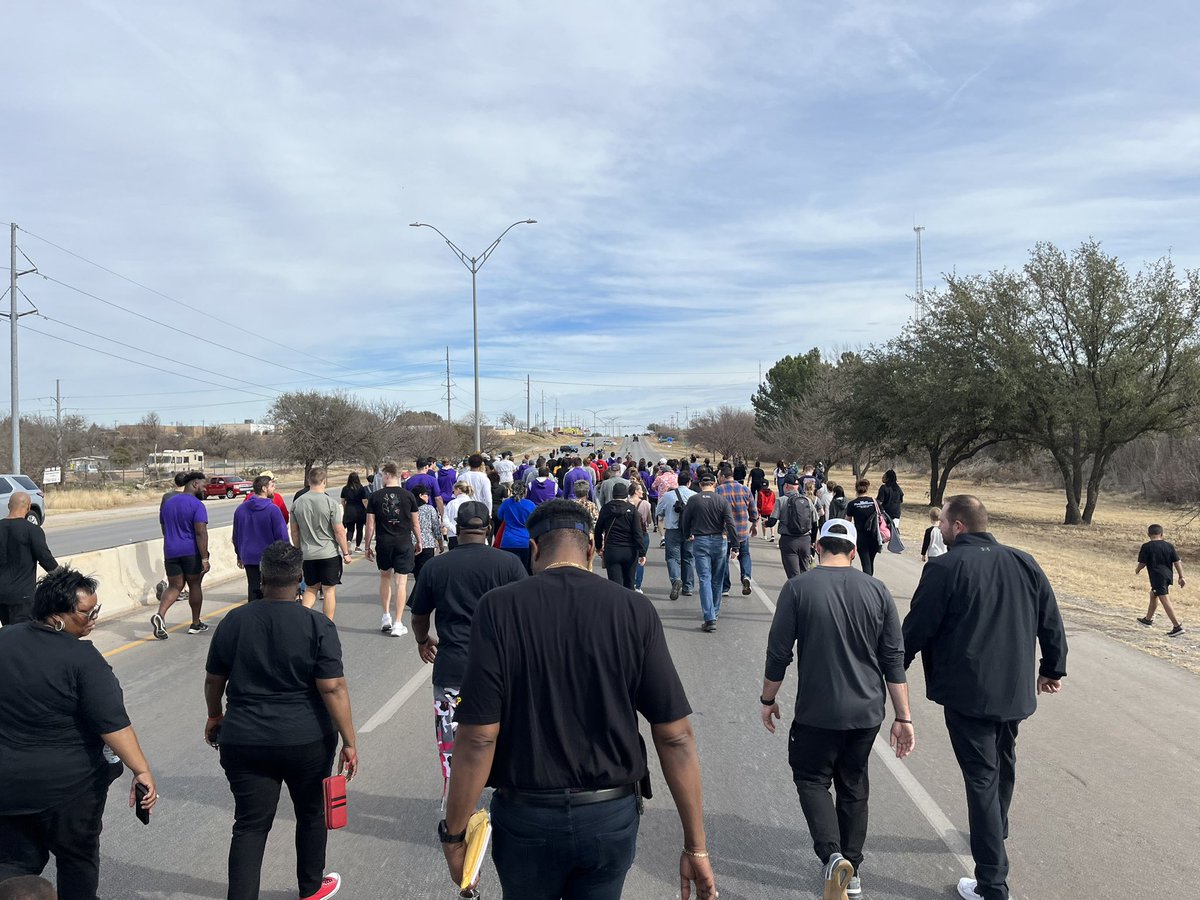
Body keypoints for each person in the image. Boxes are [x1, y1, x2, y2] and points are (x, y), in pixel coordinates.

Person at [439, 500, 717, 900]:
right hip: (608, 816)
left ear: (534, 551)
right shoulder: (633, 610)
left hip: (525, 817)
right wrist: (696, 846)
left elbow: (479, 738)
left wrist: (455, 833)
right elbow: (675, 737)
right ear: (591, 547)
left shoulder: (497, 608)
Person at [902, 496, 1068, 900]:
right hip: (1012, 691)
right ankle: (998, 825)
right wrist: (1052, 667)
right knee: (1003, 762)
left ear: (958, 525)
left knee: (981, 779)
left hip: (968, 693)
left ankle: (992, 884)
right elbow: (1051, 618)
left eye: (942, 520)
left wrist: (889, 671)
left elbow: (916, 628)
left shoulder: (944, 567)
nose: (938, 526)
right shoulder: (1024, 561)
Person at [761, 519, 914, 900]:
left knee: (812, 779)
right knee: (854, 784)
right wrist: (903, 717)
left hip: (817, 711)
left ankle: (832, 857)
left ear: (817, 547)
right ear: (852, 551)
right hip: (866, 713)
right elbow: (894, 659)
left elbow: (779, 652)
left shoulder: (797, 588)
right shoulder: (877, 590)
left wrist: (768, 699)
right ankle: (853, 869)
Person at [205, 542, 356, 900]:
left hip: (244, 738)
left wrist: (215, 715)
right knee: (310, 813)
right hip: (306, 739)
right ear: (300, 577)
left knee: (250, 825)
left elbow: (215, 680)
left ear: (263, 577)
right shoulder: (317, 624)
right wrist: (349, 741)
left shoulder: (235, 620)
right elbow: (332, 687)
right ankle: (310, 888)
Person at [0, 568, 158, 899]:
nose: (94, 619)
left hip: (8, 789)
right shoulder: (83, 659)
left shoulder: (5, 640)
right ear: (57, 616)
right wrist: (141, 770)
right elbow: (112, 724)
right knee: (77, 863)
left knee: (13, 867)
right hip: (70, 793)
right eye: (87, 613)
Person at [409, 501, 527, 807]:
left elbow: (419, 614)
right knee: (506, 737)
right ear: (488, 529)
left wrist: (423, 640)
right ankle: (508, 801)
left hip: (453, 669)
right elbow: (526, 615)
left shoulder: (436, 566)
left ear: (457, 530)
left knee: (453, 743)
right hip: (502, 671)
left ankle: (459, 810)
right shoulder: (509, 564)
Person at [365, 462, 421, 637]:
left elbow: (370, 524)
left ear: (388, 475)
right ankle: (398, 623)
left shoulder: (375, 496)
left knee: (385, 577)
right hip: (403, 542)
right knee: (401, 582)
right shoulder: (409, 496)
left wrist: (367, 546)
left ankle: (385, 616)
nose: (381, 478)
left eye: (382, 475)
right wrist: (419, 541)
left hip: (384, 542)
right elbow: (415, 523)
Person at [152, 471, 210, 640]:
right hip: (191, 552)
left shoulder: (168, 503)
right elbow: (201, 533)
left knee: (174, 586)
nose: (204, 488)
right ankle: (195, 623)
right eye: (203, 485)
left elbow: (164, 527)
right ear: (194, 484)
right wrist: (204, 558)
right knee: (194, 585)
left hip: (170, 551)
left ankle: (160, 616)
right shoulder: (197, 505)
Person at [290, 468, 353, 621]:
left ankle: (302, 619)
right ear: (325, 481)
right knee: (329, 591)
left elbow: (294, 532)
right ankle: (328, 624)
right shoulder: (330, 503)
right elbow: (339, 531)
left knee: (311, 588)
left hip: (308, 554)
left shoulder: (297, 503)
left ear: (309, 481)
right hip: (328, 553)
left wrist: (298, 551)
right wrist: (345, 552)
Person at [681, 472, 739, 633]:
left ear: (700, 485)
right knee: (717, 579)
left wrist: (687, 535)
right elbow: (730, 523)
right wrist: (735, 545)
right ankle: (715, 611)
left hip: (700, 540)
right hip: (719, 541)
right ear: (714, 484)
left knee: (704, 578)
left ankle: (709, 616)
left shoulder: (693, 500)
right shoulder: (722, 500)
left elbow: (685, 521)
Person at [0, 493, 58, 625]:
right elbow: (46, 560)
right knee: (23, 637)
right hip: (23, 597)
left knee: (7, 632)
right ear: (29, 507)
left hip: (1, 595)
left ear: (9, 506)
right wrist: (66, 579)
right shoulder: (32, 530)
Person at [232, 475, 289, 602]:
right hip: (270, 557)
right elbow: (282, 536)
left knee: (253, 586)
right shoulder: (273, 510)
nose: (274, 489)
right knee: (271, 588)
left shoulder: (240, 510)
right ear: (264, 488)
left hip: (249, 555)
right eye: (272, 486)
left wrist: (239, 555)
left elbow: (236, 535)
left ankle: (253, 615)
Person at [1136, 523, 1186, 636]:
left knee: (1164, 600)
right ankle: (1148, 620)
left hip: (1157, 576)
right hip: (1167, 575)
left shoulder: (1146, 546)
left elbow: (1142, 563)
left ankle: (1177, 626)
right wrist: (1181, 576)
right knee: (1153, 594)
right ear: (1162, 534)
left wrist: (1137, 570)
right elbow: (1177, 561)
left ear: (1148, 534)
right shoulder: (1169, 546)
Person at [595, 482, 645, 590]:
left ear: (613, 494)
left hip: (612, 550)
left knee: (615, 585)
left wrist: (598, 546)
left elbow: (598, 529)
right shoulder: (632, 509)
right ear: (626, 494)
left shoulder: (606, 508)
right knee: (629, 582)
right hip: (630, 551)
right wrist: (642, 552)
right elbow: (637, 532)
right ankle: (628, 605)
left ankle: (617, 606)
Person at [717, 466, 758, 596]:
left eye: (719, 477)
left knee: (723, 559)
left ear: (723, 477)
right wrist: (754, 523)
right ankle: (746, 576)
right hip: (741, 531)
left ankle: (725, 587)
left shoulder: (718, 490)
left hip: (724, 531)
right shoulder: (745, 489)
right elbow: (753, 510)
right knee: (744, 555)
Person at [656, 470, 696, 600]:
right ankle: (688, 587)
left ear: (678, 482)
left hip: (672, 530)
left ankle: (676, 580)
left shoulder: (668, 496)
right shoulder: (694, 496)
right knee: (688, 558)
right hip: (689, 531)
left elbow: (659, 512)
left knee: (673, 558)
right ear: (689, 483)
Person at [775, 475, 816, 578]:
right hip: (805, 539)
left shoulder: (781, 500)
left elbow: (772, 521)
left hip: (789, 541)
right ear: (797, 486)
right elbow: (815, 522)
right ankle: (806, 592)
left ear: (786, 486)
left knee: (793, 575)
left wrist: (765, 523)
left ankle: (796, 593)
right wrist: (813, 541)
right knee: (804, 572)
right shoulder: (807, 500)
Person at [495, 480, 536, 574]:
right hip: (525, 541)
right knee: (524, 570)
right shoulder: (530, 504)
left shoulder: (506, 503)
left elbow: (500, 516)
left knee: (507, 570)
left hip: (508, 541)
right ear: (525, 491)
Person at [845, 479, 881, 576]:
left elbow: (847, 521)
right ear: (867, 488)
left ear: (856, 489)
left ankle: (868, 583)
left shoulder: (852, 504)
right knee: (871, 561)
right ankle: (870, 581)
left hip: (861, 537)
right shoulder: (875, 502)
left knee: (866, 563)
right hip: (874, 536)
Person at [411, 485, 445, 581]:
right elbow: (436, 528)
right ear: (420, 495)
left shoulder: (409, 508)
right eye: (426, 495)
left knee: (416, 572)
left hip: (412, 544)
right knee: (426, 572)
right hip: (428, 544)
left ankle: (417, 591)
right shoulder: (429, 509)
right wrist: (440, 544)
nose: (428, 497)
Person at [628, 479, 654, 592]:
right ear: (635, 491)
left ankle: (629, 582)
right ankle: (637, 585)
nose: (642, 492)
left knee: (630, 559)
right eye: (640, 490)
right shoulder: (646, 504)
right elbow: (649, 521)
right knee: (640, 559)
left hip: (628, 534)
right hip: (642, 533)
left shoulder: (626, 503)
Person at [340, 472, 368, 553]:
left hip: (349, 510)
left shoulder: (345, 488)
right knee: (359, 529)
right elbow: (364, 501)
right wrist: (367, 509)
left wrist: (346, 508)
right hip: (359, 511)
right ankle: (357, 546)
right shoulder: (361, 488)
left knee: (350, 529)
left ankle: (348, 541)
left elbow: (342, 501)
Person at [442, 481, 473, 550]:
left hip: (453, 536)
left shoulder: (451, 503)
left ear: (458, 489)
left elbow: (445, 520)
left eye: (454, 490)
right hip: (469, 535)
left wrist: (455, 530)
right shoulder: (472, 503)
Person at [876, 470, 904, 536]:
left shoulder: (884, 487)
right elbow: (901, 500)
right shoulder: (898, 488)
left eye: (884, 476)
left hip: (886, 513)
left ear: (887, 478)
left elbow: (879, 501)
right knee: (894, 530)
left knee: (882, 530)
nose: (882, 477)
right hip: (896, 513)